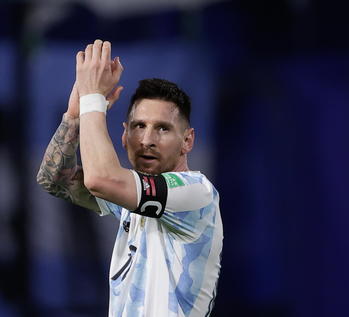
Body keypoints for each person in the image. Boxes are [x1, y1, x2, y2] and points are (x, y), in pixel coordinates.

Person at [37, 39, 223, 316]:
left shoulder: (196, 193)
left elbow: (101, 179)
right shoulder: (134, 200)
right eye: (139, 126)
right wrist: (74, 116)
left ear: (187, 141)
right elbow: (53, 179)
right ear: (124, 136)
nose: (147, 140)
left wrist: (93, 99)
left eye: (162, 129)